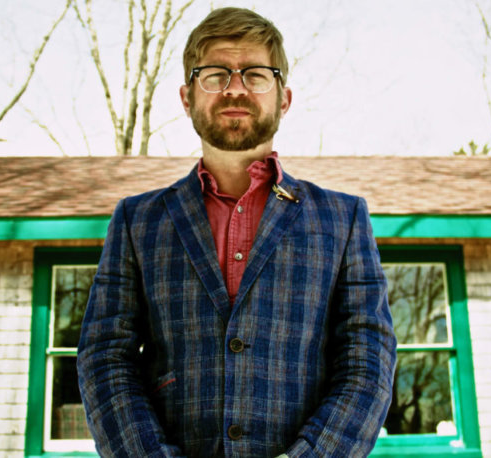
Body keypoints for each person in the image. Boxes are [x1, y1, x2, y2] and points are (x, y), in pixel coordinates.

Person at [77, 7, 396, 457]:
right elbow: (105, 359)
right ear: (187, 97)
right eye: (216, 75)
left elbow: (368, 364)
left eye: (255, 74)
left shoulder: (343, 220)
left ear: (283, 98)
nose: (235, 88)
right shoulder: (137, 221)